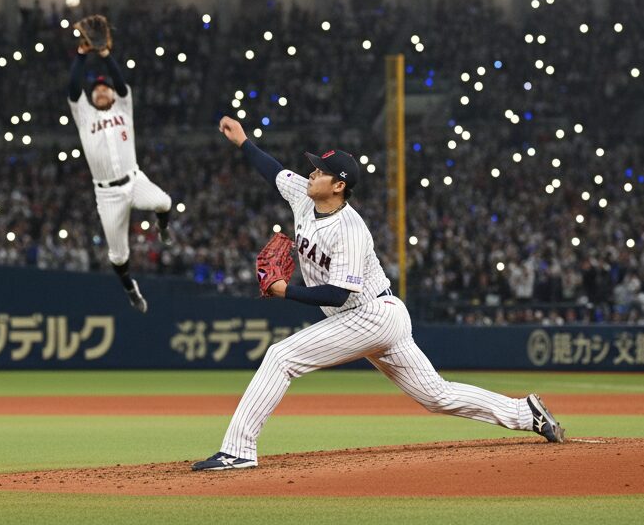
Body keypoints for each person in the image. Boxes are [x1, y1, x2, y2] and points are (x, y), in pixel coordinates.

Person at [192, 116, 565, 471]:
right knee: (436, 395)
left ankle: (237, 451)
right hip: (371, 318)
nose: (312, 173)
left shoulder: (351, 229)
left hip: (371, 314)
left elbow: (338, 294)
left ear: (338, 185)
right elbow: (272, 170)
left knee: (280, 356)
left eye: (320, 171)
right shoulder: (304, 198)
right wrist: (243, 141)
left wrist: (286, 290)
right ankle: (525, 412)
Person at [66, 27, 174, 313]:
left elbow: (123, 85)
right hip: (107, 194)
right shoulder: (84, 115)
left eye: (105, 88)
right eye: (97, 89)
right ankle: (130, 288)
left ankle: (163, 228)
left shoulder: (123, 109)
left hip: (134, 180)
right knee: (117, 255)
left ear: (113, 94)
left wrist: (104, 56)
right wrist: (81, 56)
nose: (101, 90)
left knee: (164, 202)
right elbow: (73, 89)